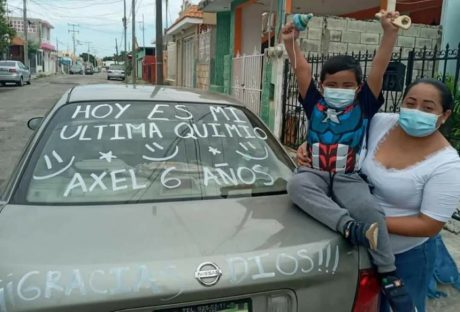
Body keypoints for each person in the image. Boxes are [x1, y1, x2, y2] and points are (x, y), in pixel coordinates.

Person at [282, 10, 416, 311]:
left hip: (348, 176)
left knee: (370, 209)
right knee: (296, 187)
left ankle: (388, 272)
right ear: (322, 84)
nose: (338, 90)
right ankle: (349, 228)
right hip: (314, 171)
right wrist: (292, 43)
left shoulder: (364, 105)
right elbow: (301, 70)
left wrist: (389, 34)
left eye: (346, 85)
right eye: (332, 84)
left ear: (357, 87)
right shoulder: (313, 103)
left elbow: (378, 69)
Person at [296, 78, 460, 311]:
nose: (416, 111)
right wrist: (308, 147)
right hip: (354, 246)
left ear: (444, 115)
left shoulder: (447, 164)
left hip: (405, 255)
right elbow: (340, 136)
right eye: (411, 103)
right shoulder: (381, 123)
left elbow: (429, 225)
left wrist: (371, 226)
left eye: (427, 108)